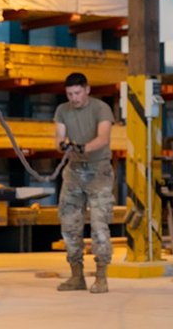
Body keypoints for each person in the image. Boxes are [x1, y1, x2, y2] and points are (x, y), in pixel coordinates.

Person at [53, 72, 116, 294]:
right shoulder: (62, 110)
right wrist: (62, 145)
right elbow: (59, 136)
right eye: (70, 94)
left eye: (77, 93)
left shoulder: (101, 109)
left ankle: (101, 276)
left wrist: (82, 148)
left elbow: (103, 138)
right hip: (74, 172)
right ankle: (76, 275)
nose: (74, 98)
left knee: (100, 224)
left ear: (87, 90)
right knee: (69, 223)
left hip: (99, 171)